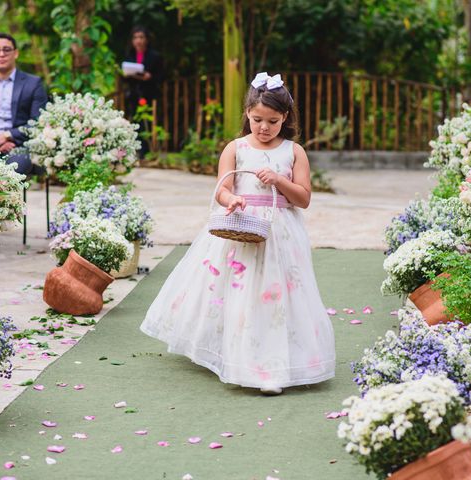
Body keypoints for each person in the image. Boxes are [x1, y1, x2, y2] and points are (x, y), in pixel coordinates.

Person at [141, 72, 336, 395]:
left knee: (274, 294)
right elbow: (223, 188)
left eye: (272, 121)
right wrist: (231, 199)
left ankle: (274, 364)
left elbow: (303, 198)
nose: (264, 127)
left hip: (280, 233)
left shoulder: (293, 151)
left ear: (284, 118)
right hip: (240, 226)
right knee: (235, 291)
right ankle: (230, 349)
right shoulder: (235, 148)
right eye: (258, 119)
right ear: (247, 113)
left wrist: (278, 179)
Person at [0, 32, 48, 175]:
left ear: (16, 53)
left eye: (6, 49)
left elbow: (39, 123)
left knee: (18, 162)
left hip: (21, 145)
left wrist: (8, 136)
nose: (1, 54)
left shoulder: (33, 83)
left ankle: (2, 197)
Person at [123, 26, 163, 157]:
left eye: (141, 37)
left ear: (146, 39)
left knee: (148, 122)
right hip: (134, 94)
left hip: (149, 94)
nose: (138, 41)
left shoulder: (154, 56)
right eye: (135, 37)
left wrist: (149, 77)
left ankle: (147, 151)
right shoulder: (129, 56)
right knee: (134, 122)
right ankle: (135, 150)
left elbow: (161, 76)